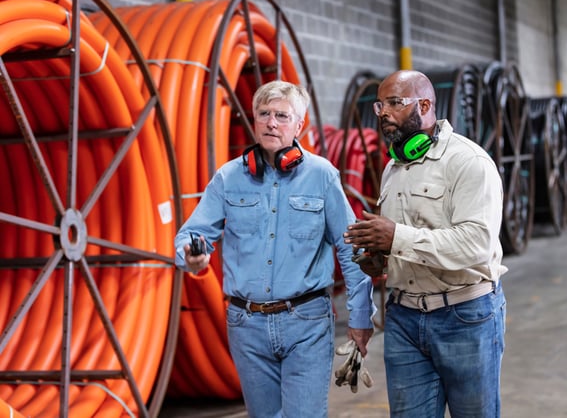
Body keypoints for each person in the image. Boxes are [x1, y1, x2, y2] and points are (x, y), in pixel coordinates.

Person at [174, 80, 376, 418]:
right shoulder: (228, 178)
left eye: (282, 116)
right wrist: (191, 255)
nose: (271, 122)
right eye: (264, 114)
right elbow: (192, 234)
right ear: (253, 120)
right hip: (246, 326)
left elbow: (351, 248)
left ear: (299, 125)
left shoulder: (322, 176)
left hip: (306, 321)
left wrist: (360, 318)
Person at [344, 70, 507, 417]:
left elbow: (476, 244)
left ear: (425, 104)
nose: (383, 112)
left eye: (394, 103)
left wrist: (396, 236)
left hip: (465, 317)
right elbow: (409, 244)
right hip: (403, 317)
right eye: (379, 105)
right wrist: (380, 258)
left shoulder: (469, 162)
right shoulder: (394, 168)